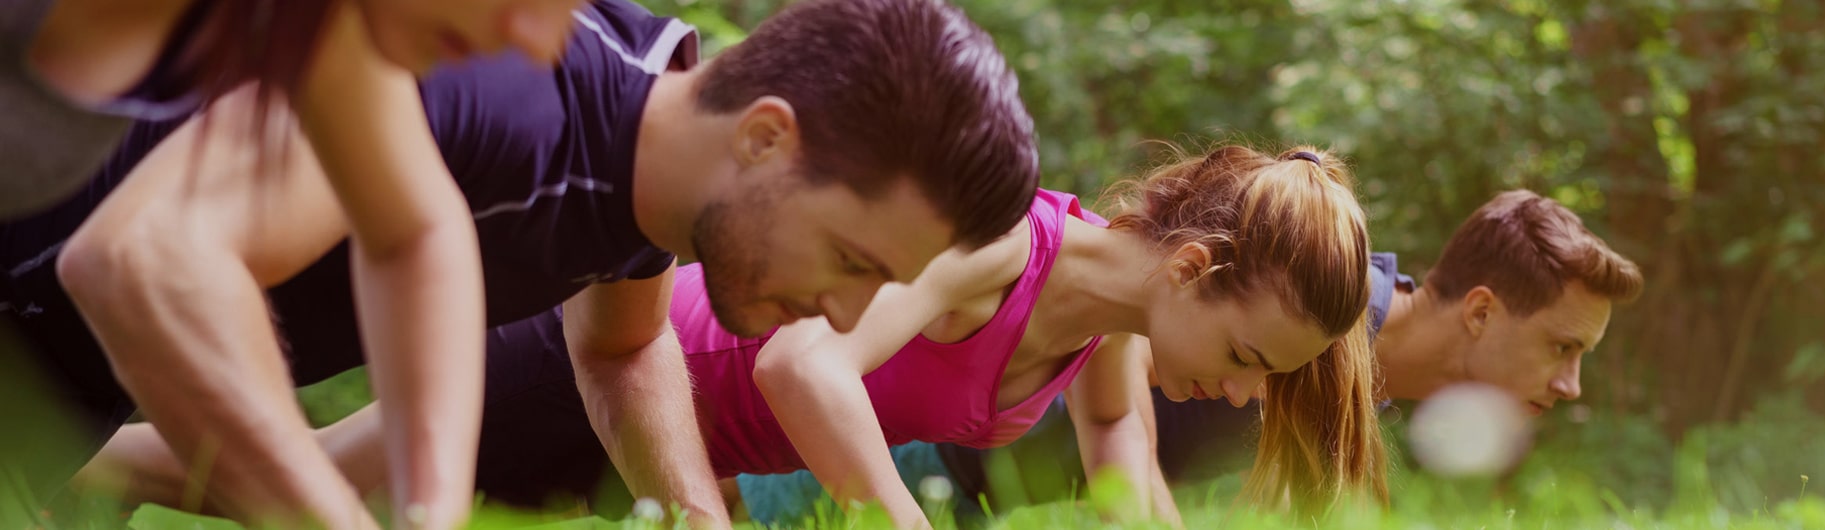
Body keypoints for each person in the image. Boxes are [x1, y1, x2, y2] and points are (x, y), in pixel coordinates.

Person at [2, 0, 1038, 526]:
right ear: (765, 138)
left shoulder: (647, 181)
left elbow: (618, 349)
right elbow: (152, 260)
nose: (844, 311)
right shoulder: (502, 85)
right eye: (853, 257)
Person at [83, 145, 1387, 528]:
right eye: (1252, 355)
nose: (1238, 388)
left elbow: (1123, 461)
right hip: (616, 364)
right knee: (306, 489)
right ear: (1197, 266)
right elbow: (799, 358)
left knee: (310, 480)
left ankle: (97, 466)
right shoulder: (1006, 243)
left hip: (678, 455)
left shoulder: (1115, 335)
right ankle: (87, 454)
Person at [730, 189, 1645, 525]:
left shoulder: (1352, 371)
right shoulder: (1314, 323)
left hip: (961, 489)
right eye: (1563, 347)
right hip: (885, 444)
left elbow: (1126, 451)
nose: (1568, 385)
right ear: (1481, 312)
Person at [4, 0, 582, 525]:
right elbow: (128, 259)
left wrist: (431, 511)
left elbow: (415, 230)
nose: (538, 43)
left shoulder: (322, 26)